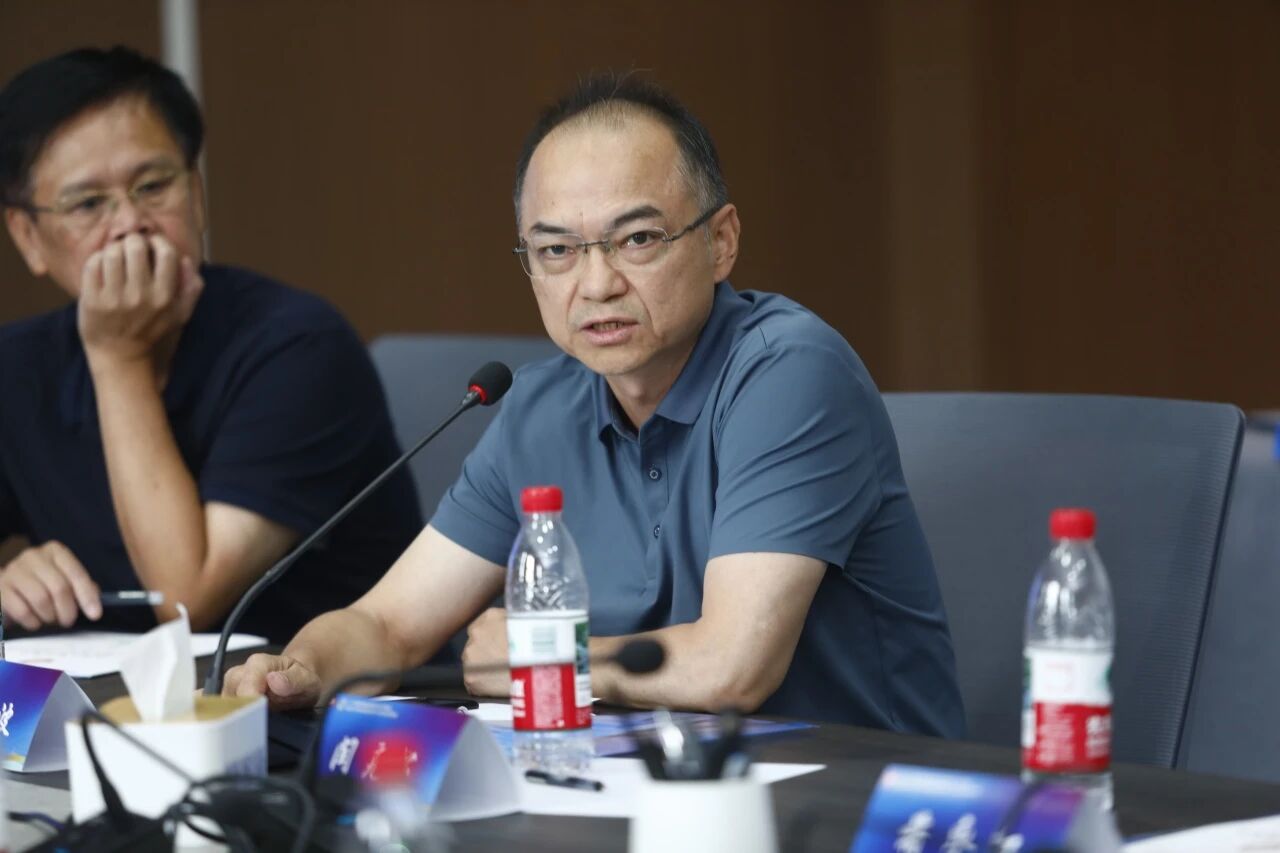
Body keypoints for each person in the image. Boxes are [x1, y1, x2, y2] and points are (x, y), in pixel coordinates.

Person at [226, 74, 964, 733]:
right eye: (557, 250)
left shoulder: (790, 374)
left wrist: (539, 658)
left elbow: (733, 666)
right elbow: (386, 625)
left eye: (636, 239)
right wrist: (300, 669)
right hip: (642, 785)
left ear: (721, 241)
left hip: (858, 796)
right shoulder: (537, 409)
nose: (597, 283)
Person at [0, 47, 420, 642]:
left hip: (305, 691)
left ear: (196, 194)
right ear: (28, 237)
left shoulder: (300, 346)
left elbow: (188, 600)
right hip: (100, 694)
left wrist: (119, 358)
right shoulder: (16, 368)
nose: (130, 222)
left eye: (152, 186)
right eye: (89, 204)